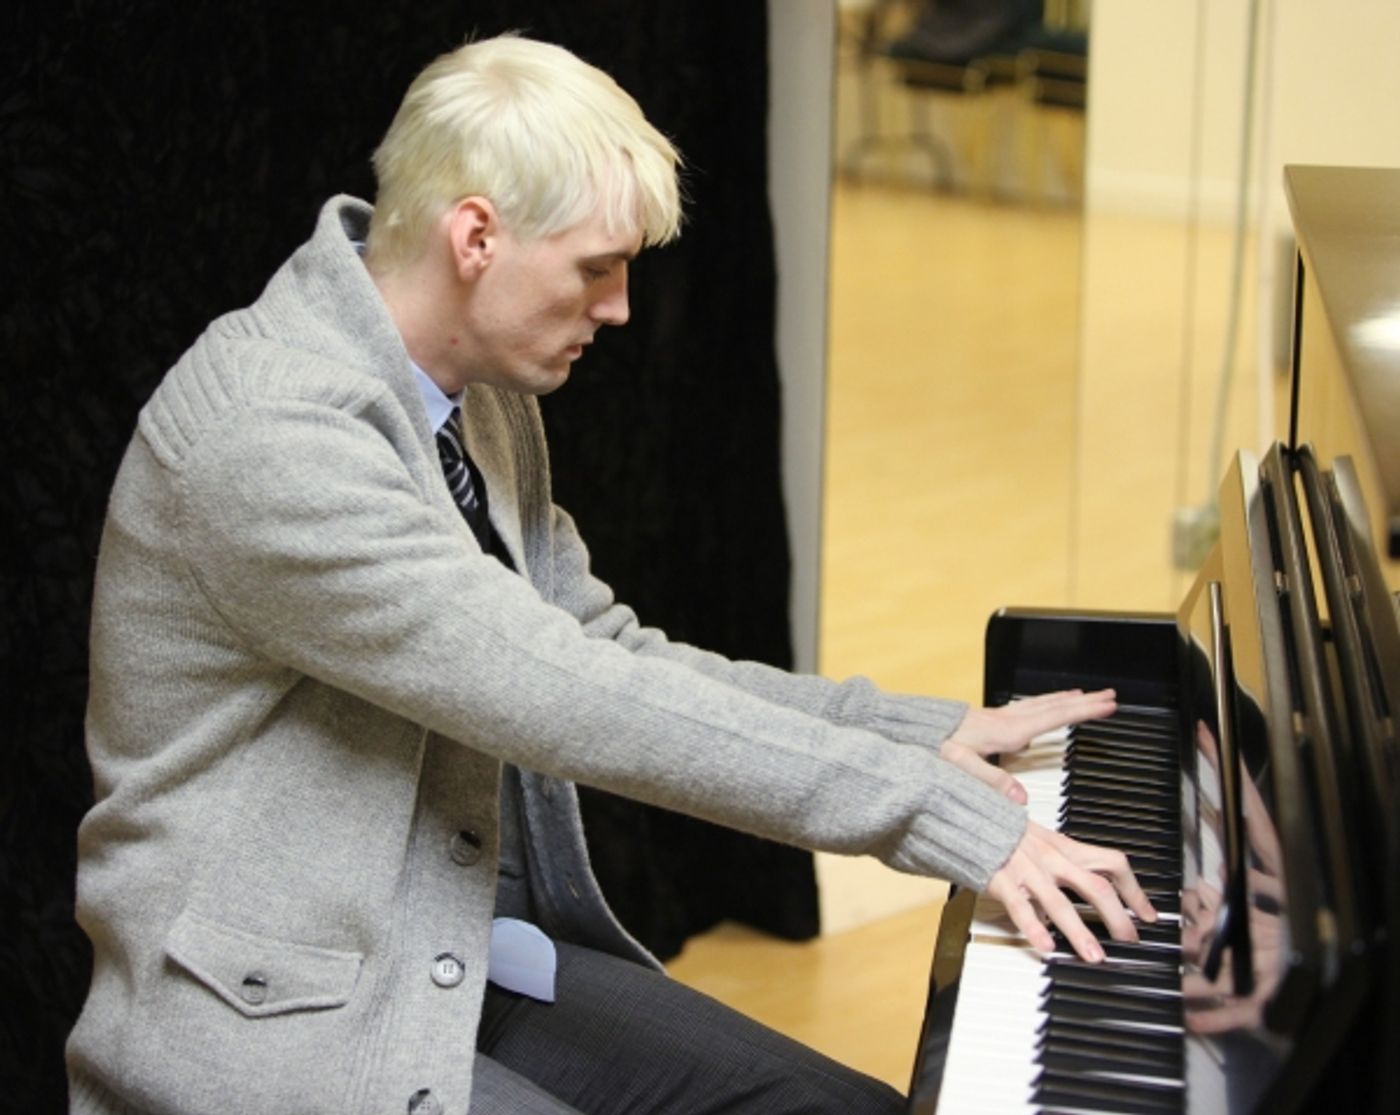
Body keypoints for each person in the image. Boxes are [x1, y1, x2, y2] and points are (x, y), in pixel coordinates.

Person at [67, 33, 1155, 1115]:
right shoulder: (270, 437)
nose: (621, 306)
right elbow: (560, 690)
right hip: (270, 1009)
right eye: (596, 267)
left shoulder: (475, 394)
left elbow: (601, 644)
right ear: (475, 236)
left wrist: (906, 732)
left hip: (440, 941)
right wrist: (928, 812)